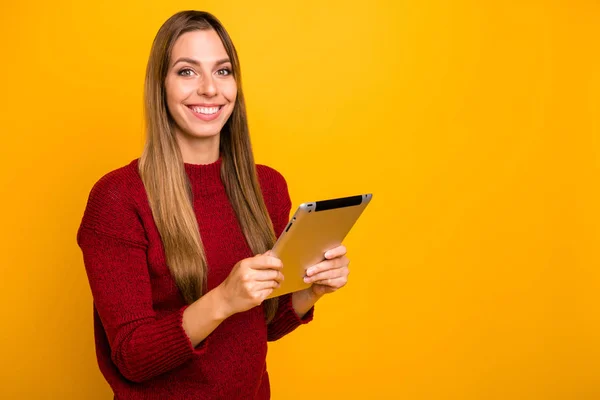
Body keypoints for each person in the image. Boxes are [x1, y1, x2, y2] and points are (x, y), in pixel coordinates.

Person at [77, 10, 350, 399]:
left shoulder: (266, 187)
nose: (209, 88)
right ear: (161, 86)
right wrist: (223, 298)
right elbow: (131, 356)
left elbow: (262, 326)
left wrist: (311, 292)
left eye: (222, 71)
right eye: (187, 71)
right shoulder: (118, 198)